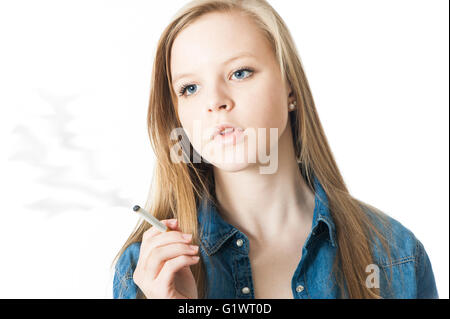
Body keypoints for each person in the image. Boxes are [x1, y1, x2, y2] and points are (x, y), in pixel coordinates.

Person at [112, 0, 438, 299]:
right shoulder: (145, 273)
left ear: (290, 87)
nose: (215, 102)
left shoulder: (395, 256)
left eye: (240, 73)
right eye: (190, 88)